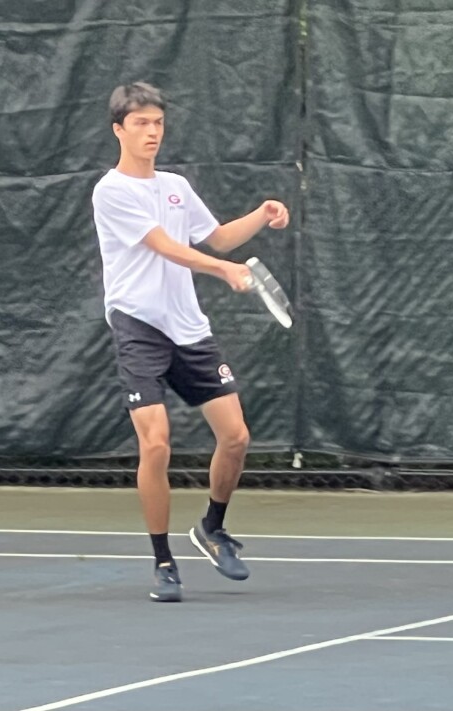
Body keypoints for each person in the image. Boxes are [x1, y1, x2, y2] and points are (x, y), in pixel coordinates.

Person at [91, 82, 289, 602]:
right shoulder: (110, 191)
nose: (152, 132)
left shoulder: (175, 185)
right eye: (141, 123)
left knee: (237, 438)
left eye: (157, 122)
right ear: (119, 130)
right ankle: (163, 562)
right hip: (138, 326)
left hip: (189, 328)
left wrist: (261, 215)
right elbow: (164, 246)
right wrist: (223, 271)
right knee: (155, 442)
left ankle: (212, 527)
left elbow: (218, 237)